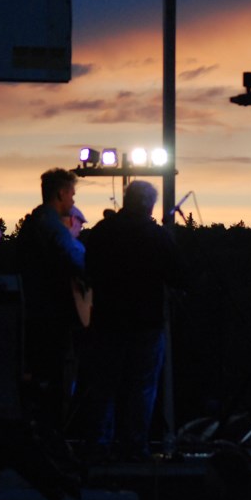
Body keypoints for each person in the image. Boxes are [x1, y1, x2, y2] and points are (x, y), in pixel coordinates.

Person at [79, 180, 185, 462]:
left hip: (107, 321)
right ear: (150, 205)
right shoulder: (157, 236)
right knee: (142, 386)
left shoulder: (102, 232)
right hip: (145, 323)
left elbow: (88, 270)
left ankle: (97, 445)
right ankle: (134, 447)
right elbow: (177, 276)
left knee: (104, 386)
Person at [16, 168, 86, 433]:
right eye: (72, 195)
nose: (73, 201)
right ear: (60, 193)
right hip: (50, 318)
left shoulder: (36, 223)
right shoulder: (51, 226)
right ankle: (51, 439)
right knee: (54, 381)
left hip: (38, 314)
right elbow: (76, 260)